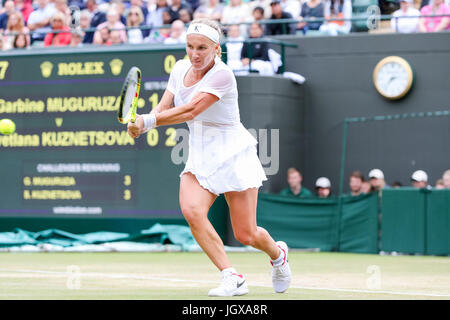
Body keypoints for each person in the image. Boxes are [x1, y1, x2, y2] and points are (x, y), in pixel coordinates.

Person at [127, 18, 291, 297]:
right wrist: (143, 123)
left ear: (217, 48)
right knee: (192, 211)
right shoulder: (179, 69)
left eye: (202, 47)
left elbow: (191, 110)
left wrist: (148, 122)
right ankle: (232, 276)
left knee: (245, 234)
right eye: (190, 46)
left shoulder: (223, 75)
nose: (195, 53)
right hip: (201, 153)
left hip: (233, 153)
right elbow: (166, 104)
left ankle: (278, 255)